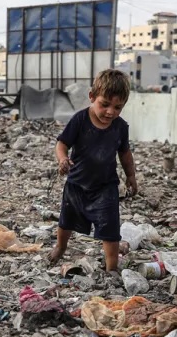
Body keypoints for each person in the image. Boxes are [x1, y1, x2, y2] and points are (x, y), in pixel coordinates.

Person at [48, 69, 138, 272]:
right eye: (104, 104)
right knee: (66, 221)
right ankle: (61, 247)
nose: (110, 112)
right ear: (91, 96)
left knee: (110, 228)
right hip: (77, 183)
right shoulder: (80, 120)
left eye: (118, 107)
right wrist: (63, 159)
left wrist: (131, 176)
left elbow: (125, 153)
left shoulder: (121, 127)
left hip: (106, 186)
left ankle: (111, 268)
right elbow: (62, 144)